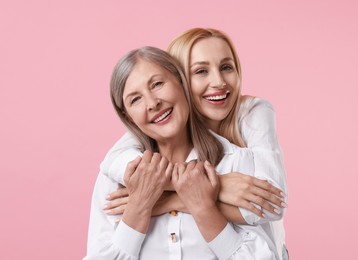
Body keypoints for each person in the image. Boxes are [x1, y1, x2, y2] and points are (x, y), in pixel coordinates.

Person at [101, 28, 289, 259]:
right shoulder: (143, 140)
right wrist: (209, 186)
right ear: (181, 80)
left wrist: (174, 199)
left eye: (227, 67)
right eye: (200, 71)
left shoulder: (250, 116)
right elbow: (112, 160)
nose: (218, 81)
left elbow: (273, 205)